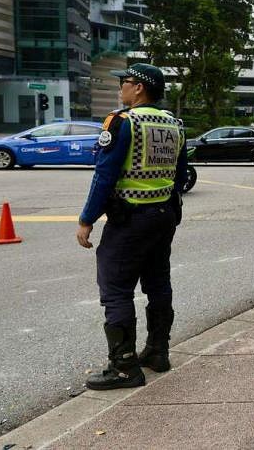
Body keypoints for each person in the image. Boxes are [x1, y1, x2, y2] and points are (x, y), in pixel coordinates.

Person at [76, 63, 187, 390]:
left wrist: (87, 219)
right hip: (163, 216)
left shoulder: (122, 122)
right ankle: (157, 351)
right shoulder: (175, 125)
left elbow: (104, 175)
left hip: (130, 219)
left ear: (139, 87)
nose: (120, 89)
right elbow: (180, 177)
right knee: (158, 283)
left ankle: (124, 367)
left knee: (116, 289)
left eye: (124, 83)